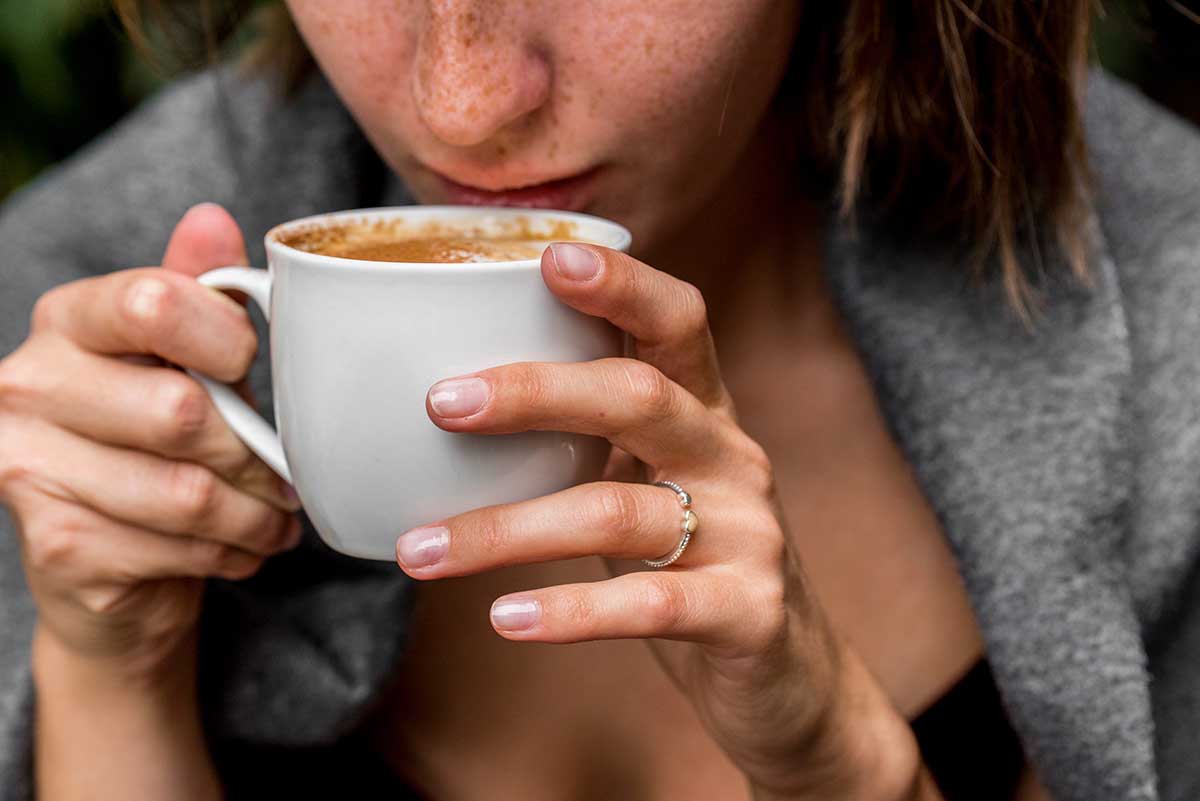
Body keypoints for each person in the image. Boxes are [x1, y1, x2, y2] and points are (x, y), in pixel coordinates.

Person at [0, 2, 1197, 800]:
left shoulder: (1170, 341)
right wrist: (112, 671)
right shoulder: (77, 318)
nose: (466, 106)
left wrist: (842, 768)